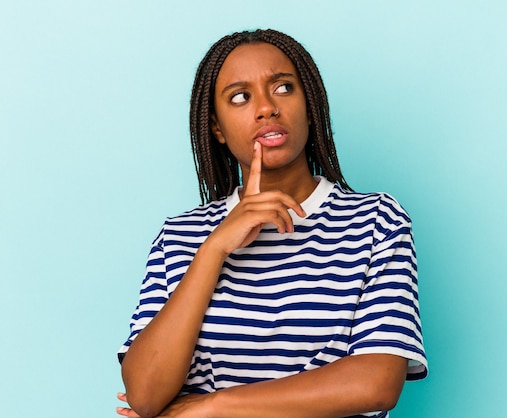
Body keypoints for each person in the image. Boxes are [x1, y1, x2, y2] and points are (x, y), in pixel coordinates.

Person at [116, 28, 427, 418]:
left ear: (309, 105)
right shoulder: (179, 237)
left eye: (283, 88)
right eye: (240, 97)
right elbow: (144, 394)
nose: (266, 108)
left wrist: (215, 406)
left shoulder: (376, 222)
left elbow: (375, 383)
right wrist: (213, 250)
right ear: (217, 128)